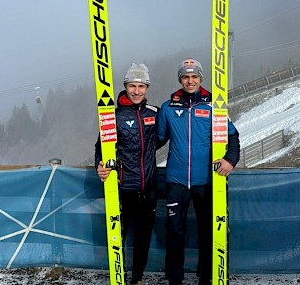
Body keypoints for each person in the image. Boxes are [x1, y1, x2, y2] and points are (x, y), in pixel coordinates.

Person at [157, 58, 240, 285]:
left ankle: (207, 277)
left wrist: (230, 161)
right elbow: (155, 140)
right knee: (175, 234)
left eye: (194, 76)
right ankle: (175, 280)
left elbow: (233, 136)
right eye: (186, 77)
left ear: (200, 78)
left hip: (207, 181)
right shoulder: (168, 107)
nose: (190, 81)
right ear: (180, 79)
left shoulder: (213, 105)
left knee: (208, 233)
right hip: (176, 181)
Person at [95, 63, 159, 285]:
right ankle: (117, 277)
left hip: (148, 188)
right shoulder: (113, 115)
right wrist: (100, 166)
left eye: (141, 86)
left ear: (147, 88)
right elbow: (100, 148)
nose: (137, 91)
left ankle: (137, 279)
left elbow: (159, 140)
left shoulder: (154, 113)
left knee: (143, 240)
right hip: (123, 189)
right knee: (118, 237)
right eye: (132, 85)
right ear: (125, 86)